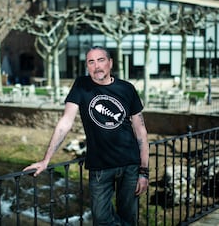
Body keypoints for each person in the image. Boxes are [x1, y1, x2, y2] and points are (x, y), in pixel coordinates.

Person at [23, 46, 149, 225]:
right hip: (100, 167)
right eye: (91, 62)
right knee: (101, 218)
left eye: (101, 60)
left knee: (129, 216)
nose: (96, 66)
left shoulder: (126, 89)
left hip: (130, 164)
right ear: (87, 66)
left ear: (110, 63)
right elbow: (65, 122)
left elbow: (141, 131)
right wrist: (46, 160)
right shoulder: (81, 86)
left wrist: (144, 172)